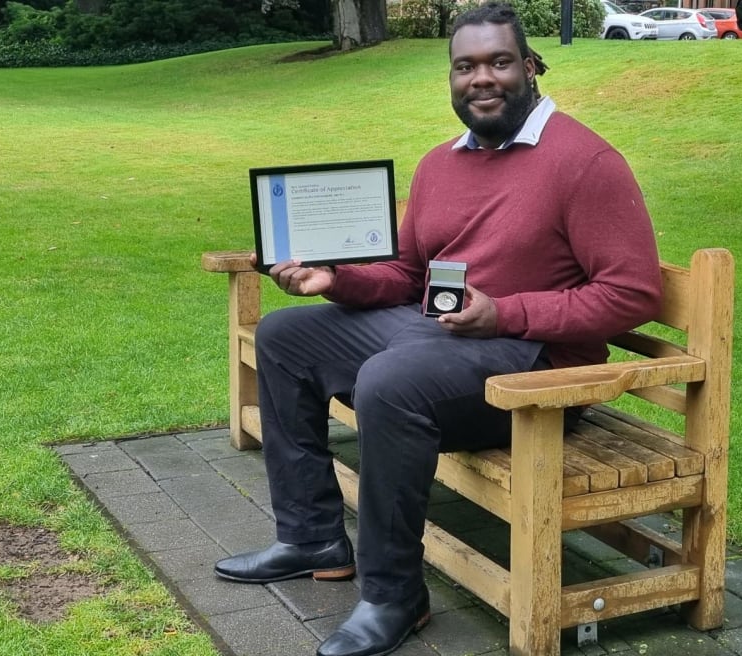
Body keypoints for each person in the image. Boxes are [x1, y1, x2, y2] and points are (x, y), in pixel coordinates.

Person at [213, 4, 663, 655]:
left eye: (499, 62)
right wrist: (333, 280)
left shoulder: (584, 163)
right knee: (286, 338)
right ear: (452, 79)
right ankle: (312, 536)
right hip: (441, 337)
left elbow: (634, 293)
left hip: (535, 367)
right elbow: (404, 273)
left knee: (390, 382)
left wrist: (505, 313)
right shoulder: (441, 164)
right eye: (465, 66)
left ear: (531, 67)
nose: (482, 78)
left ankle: (395, 595)